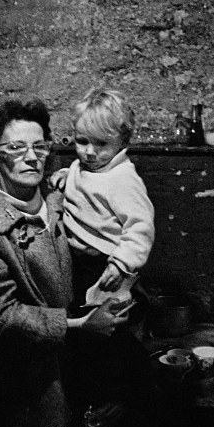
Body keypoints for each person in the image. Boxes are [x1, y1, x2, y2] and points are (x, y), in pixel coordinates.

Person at [0, 98, 128, 427]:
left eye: (41, 146)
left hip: (84, 357)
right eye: (16, 148)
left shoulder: (57, 196)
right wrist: (79, 326)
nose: (31, 157)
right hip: (32, 374)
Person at [53, 86, 155, 319]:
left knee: (106, 316)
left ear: (122, 141)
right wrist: (67, 175)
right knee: (80, 315)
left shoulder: (123, 179)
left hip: (103, 262)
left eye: (101, 144)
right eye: (81, 141)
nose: (89, 152)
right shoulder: (87, 166)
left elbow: (140, 228)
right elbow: (87, 179)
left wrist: (120, 264)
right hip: (74, 258)